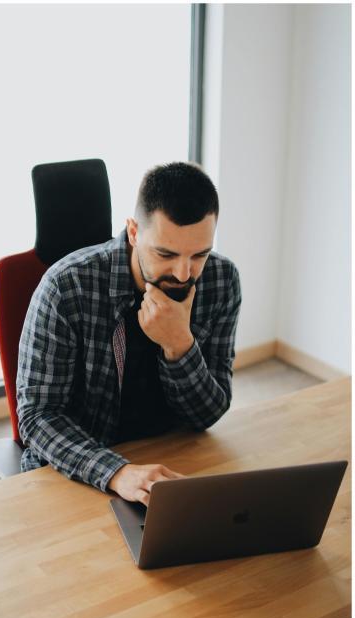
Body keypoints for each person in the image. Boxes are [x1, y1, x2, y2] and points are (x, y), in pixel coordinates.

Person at [17, 161, 241, 506]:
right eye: (165, 253)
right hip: (79, 470)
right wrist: (117, 472)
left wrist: (179, 344)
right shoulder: (66, 287)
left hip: (170, 462)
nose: (184, 274)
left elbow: (208, 415)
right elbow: (37, 418)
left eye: (200, 254)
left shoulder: (222, 281)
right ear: (134, 232)